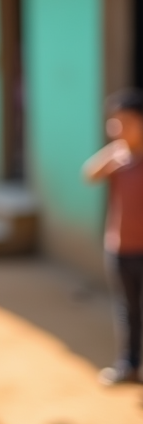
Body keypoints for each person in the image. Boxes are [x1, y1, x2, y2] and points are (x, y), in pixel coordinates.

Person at [82, 89, 143, 385]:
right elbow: (89, 175)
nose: (118, 129)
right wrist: (114, 153)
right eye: (114, 123)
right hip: (119, 247)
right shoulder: (117, 159)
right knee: (127, 310)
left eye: (126, 122)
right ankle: (128, 365)